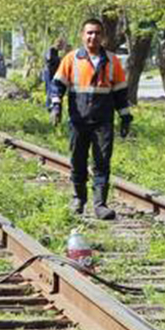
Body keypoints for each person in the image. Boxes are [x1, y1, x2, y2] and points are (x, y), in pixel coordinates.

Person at [47, 18, 133, 219]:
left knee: (102, 162)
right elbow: (57, 85)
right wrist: (56, 106)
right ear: (82, 35)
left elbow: (120, 93)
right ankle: (78, 198)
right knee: (77, 160)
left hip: (103, 121)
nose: (93, 37)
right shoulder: (71, 59)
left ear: (103, 36)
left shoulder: (113, 61)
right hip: (78, 120)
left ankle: (100, 204)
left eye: (97, 33)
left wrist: (126, 118)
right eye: (89, 33)